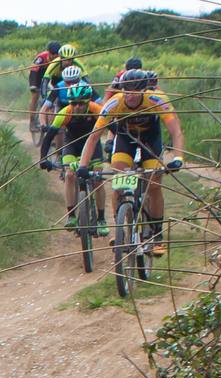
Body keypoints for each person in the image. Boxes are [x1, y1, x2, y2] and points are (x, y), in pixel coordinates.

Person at [77, 69, 187, 257]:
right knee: (118, 180)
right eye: (126, 90)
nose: (130, 95)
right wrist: (82, 166)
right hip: (125, 140)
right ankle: (119, 230)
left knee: (153, 184)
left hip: (150, 141)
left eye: (135, 91)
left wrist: (178, 158)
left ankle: (157, 236)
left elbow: (176, 131)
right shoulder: (115, 102)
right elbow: (94, 137)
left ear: (144, 90)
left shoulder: (156, 99)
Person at [39, 82, 110, 235]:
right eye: (74, 103)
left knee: (98, 177)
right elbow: (49, 137)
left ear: (88, 101)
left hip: (92, 145)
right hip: (72, 144)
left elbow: (115, 130)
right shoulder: (65, 112)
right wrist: (43, 158)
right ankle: (71, 215)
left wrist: (112, 149)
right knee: (70, 174)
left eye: (81, 103)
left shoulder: (97, 110)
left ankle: (101, 218)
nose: (77, 107)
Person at [29, 41, 63, 126]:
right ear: (48, 52)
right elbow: (33, 71)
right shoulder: (41, 57)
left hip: (54, 74)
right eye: (53, 54)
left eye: (57, 55)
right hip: (39, 74)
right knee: (35, 96)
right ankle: (32, 121)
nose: (55, 56)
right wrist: (33, 86)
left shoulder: (61, 58)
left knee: (57, 93)